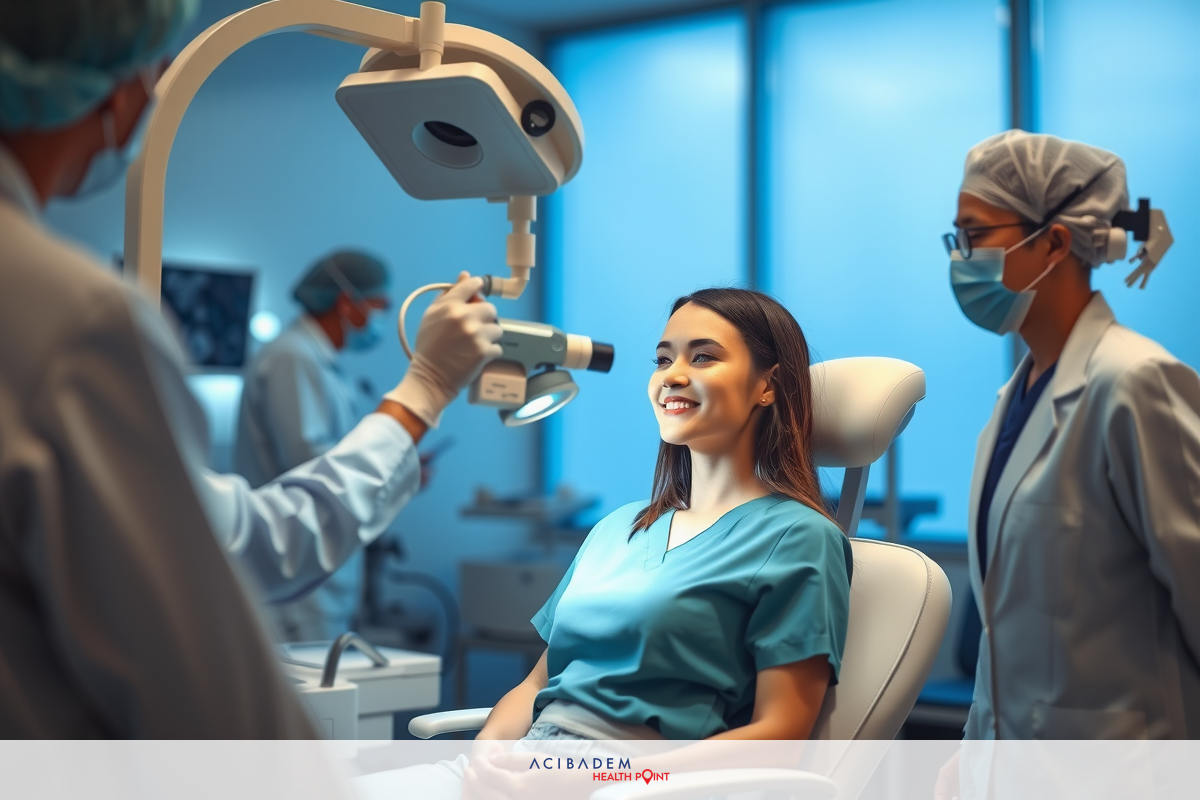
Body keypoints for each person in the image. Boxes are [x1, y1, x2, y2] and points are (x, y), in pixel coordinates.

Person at [0, 0, 501, 736]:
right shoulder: (73, 319)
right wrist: (423, 392)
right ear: (116, 83)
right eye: (154, 69)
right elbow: (216, 700)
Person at [357, 288, 853, 798]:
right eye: (663, 359)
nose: (672, 375)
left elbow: (779, 736)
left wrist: (594, 776)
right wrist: (487, 759)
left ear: (766, 386)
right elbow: (534, 687)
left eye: (702, 357)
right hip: (521, 767)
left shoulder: (798, 536)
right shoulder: (620, 527)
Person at [945, 130, 1200, 740]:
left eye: (975, 235)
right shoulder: (1014, 401)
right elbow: (1010, 632)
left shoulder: (1136, 383)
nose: (961, 258)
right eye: (956, 239)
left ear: (1054, 242)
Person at [236, 250, 401, 641]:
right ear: (348, 302)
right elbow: (311, 465)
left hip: (317, 578)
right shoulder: (292, 358)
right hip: (296, 580)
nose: (381, 320)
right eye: (380, 307)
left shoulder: (317, 361)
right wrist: (390, 471)